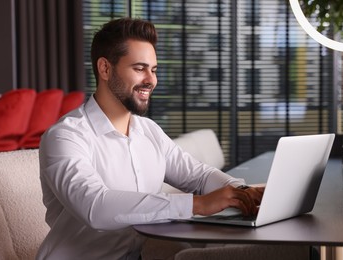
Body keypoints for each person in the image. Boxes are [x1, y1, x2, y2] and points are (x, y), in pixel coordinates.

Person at [36, 17, 264, 260]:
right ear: (105, 68)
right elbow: (96, 207)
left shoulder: (148, 131)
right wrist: (197, 204)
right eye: (139, 68)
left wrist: (243, 192)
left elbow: (199, 176)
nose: (151, 80)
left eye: (153, 70)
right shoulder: (65, 136)